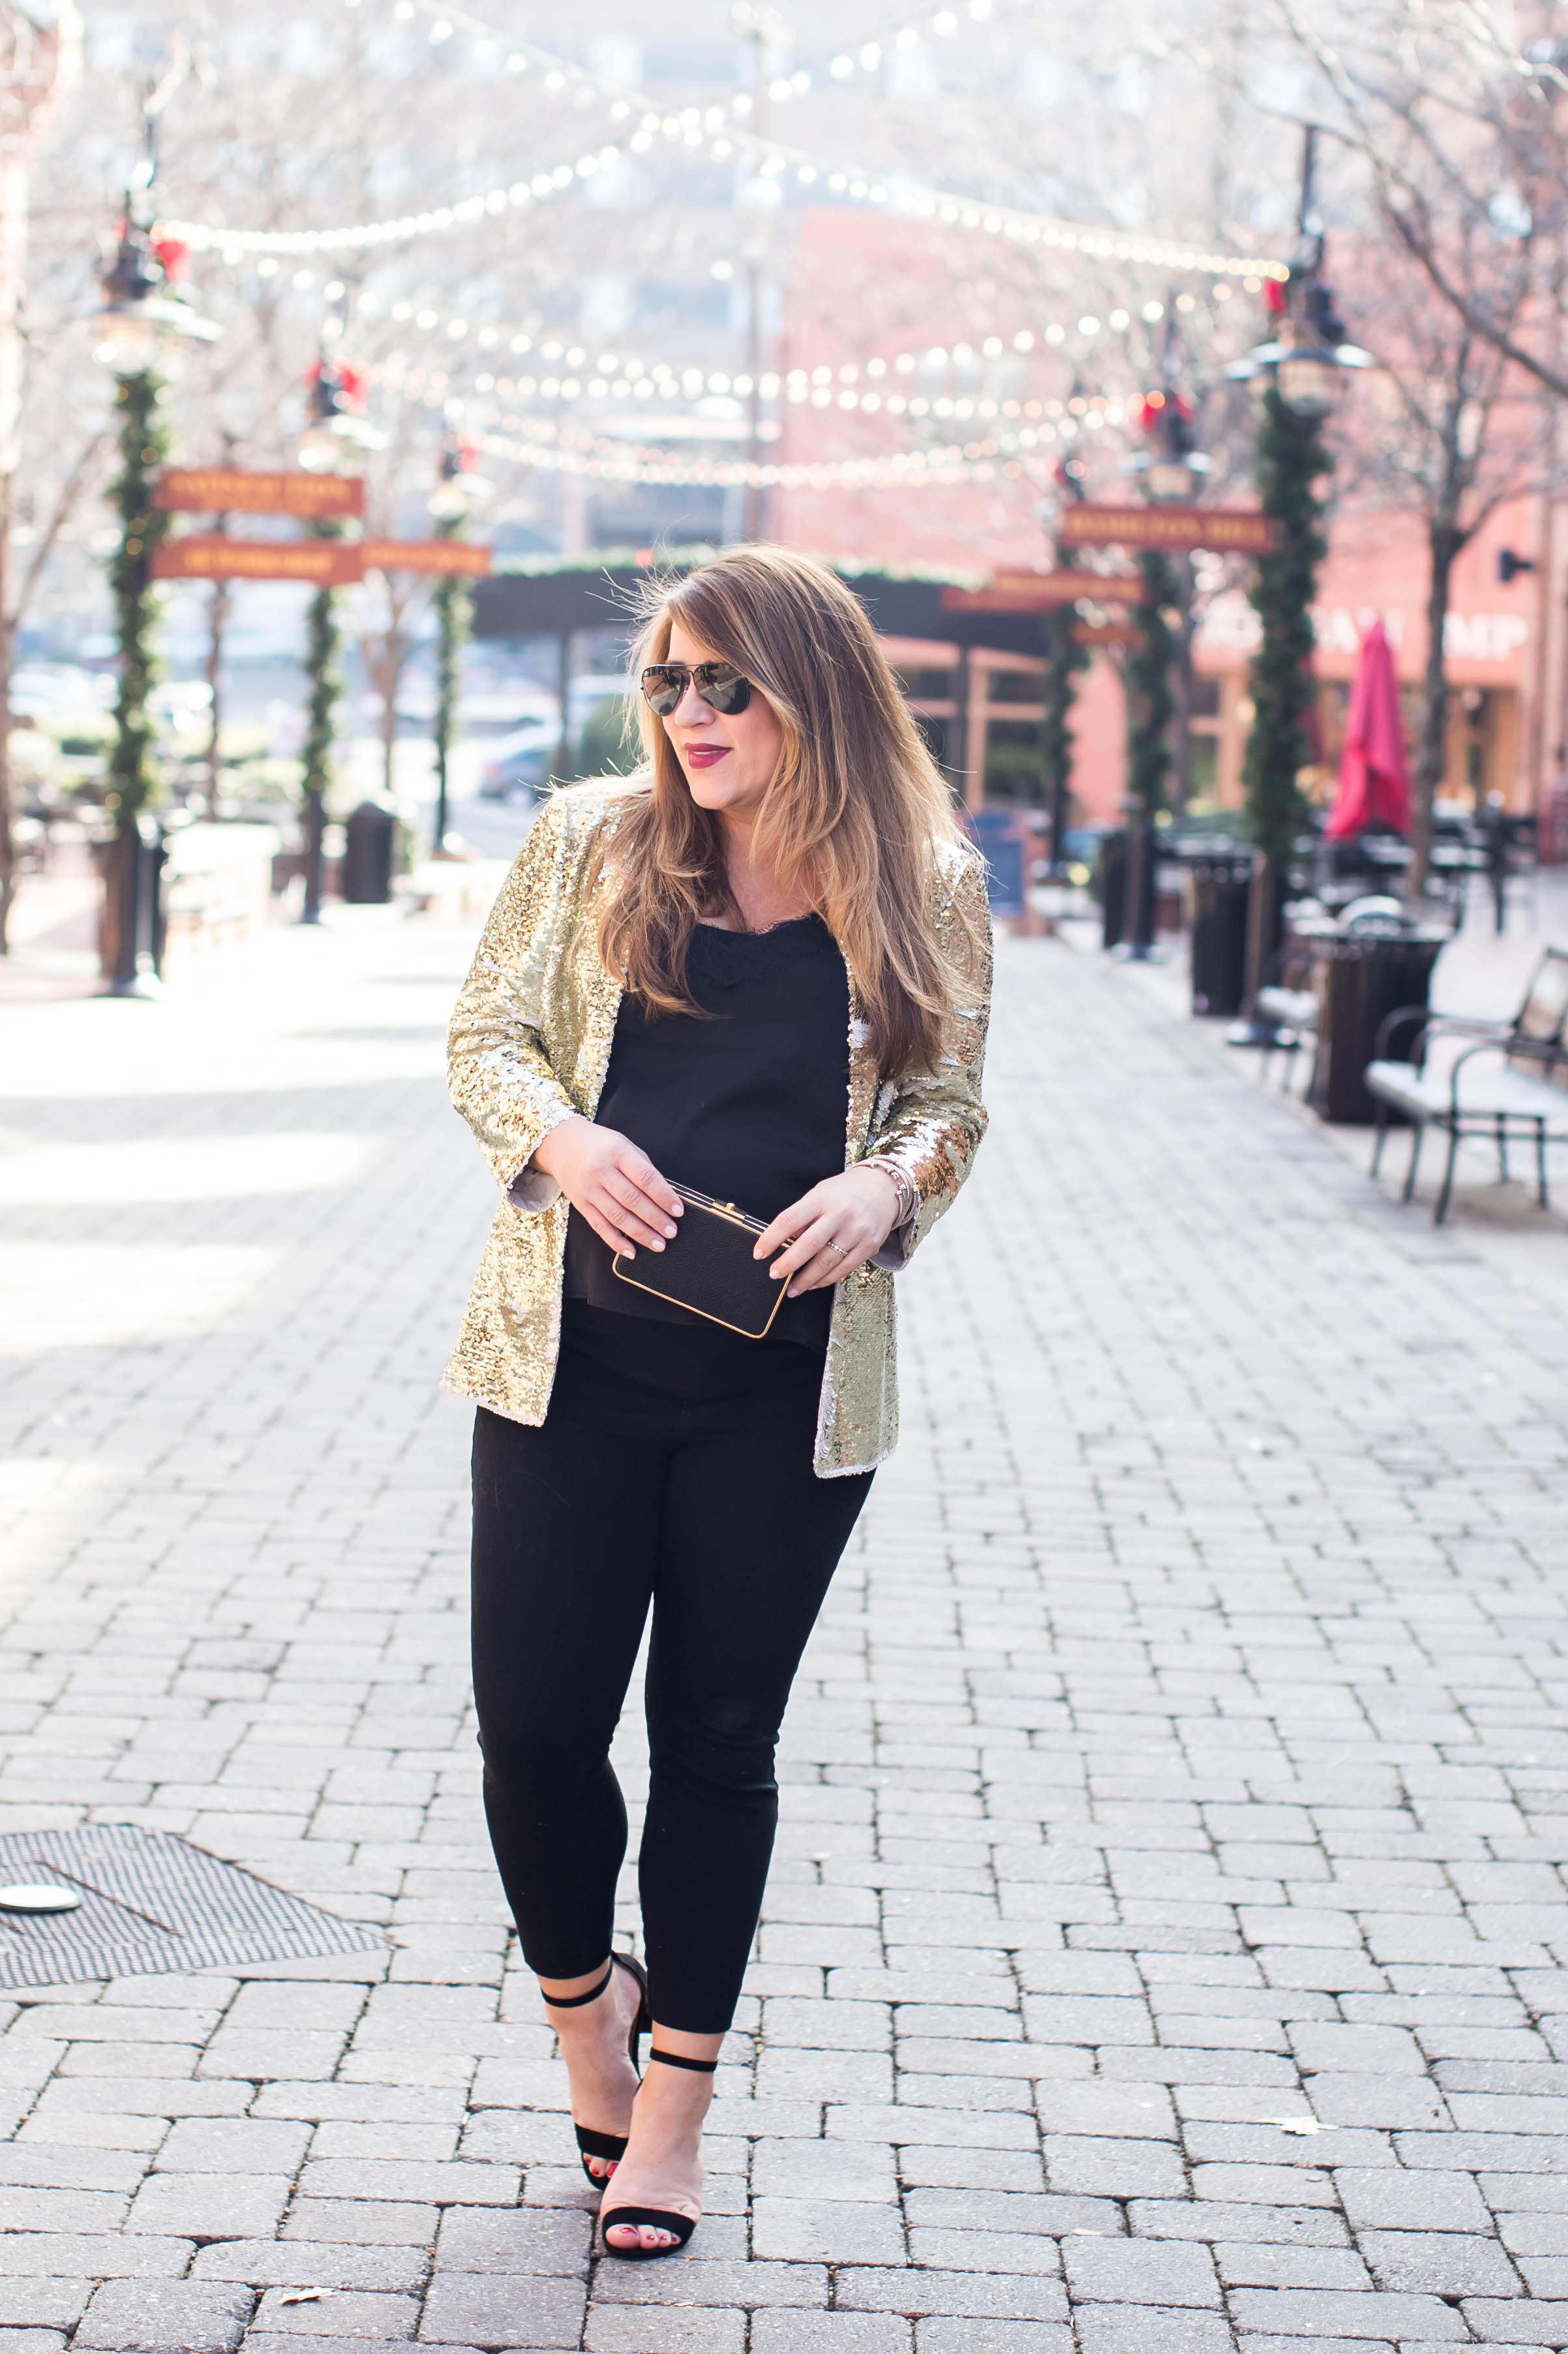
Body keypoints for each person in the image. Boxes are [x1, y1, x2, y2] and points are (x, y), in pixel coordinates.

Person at [444, 546, 993, 2259]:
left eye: (724, 686)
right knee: (535, 1734)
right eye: (671, 684)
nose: (689, 716)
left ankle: (671, 2106)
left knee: (716, 1749)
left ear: (806, 695)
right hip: (571, 1374)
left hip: (783, 1398)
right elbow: (484, 1039)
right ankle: (581, 2022)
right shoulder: (587, 847)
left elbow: (947, 1096)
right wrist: (564, 1136)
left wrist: (894, 1187)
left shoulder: (926, 884)